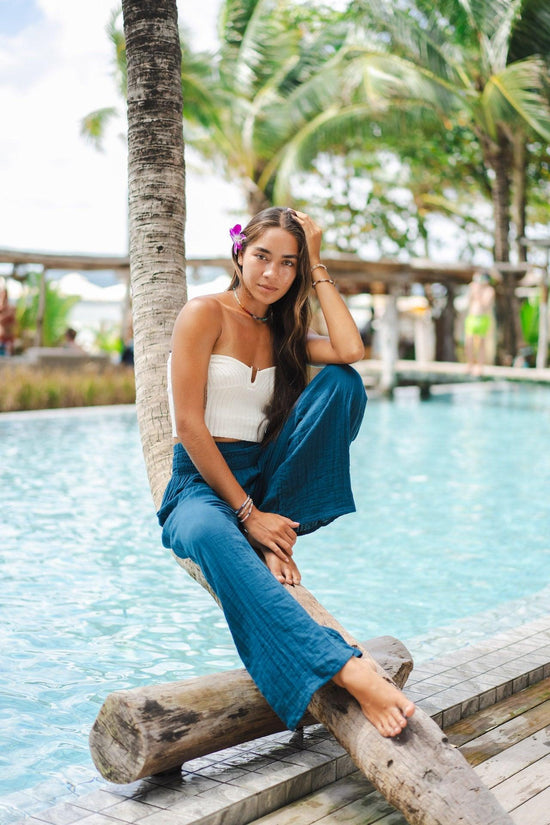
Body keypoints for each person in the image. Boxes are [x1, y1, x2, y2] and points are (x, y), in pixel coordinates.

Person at [158, 207, 415, 738]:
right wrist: (248, 516)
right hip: (202, 485)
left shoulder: (285, 331)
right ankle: (347, 667)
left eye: (288, 263)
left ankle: (270, 534)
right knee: (205, 530)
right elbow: (188, 425)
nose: (272, 273)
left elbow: (350, 350)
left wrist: (318, 263)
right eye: (262, 257)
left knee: (342, 381)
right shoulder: (203, 313)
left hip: (269, 474)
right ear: (239, 254)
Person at [464, 271, 495, 375]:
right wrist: (471, 291)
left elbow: (485, 304)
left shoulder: (489, 290)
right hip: (472, 317)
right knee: (469, 342)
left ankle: (480, 366)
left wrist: (477, 292)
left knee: (481, 343)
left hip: (483, 319)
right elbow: (468, 302)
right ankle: (470, 364)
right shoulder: (473, 288)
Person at [0, 287, 16, 356]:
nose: (4, 297)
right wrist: (7, 314)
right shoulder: (2, 308)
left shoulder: (10, 308)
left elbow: (14, 323)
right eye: (2, 295)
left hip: (9, 338)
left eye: (5, 295)